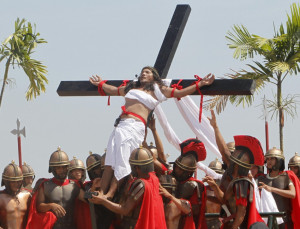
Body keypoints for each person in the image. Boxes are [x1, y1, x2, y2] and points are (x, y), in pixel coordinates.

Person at [89, 66, 215, 199]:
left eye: (147, 72)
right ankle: (101, 192)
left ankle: (110, 193)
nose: (144, 74)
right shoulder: (131, 87)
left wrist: (200, 84)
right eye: (142, 72)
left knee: (122, 160)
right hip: (120, 126)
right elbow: (114, 90)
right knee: (110, 161)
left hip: (134, 127)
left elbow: (180, 93)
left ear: (154, 76)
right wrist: (101, 84)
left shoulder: (158, 89)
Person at [89, 146, 167, 229]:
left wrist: (103, 200)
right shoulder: (154, 179)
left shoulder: (140, 184)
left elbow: (125, 210)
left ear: (136, 168)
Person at [26, 147, 86, 229]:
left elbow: (87, 199)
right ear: (53, 169)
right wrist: (51, 205)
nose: (62, 170)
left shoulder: (74, 186)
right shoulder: (45, 185)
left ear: (68, 167)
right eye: (58, 167)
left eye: (64, 167)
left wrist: (94, 190)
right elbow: (39, 207)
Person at [168, 138, 207, 229]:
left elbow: (195, 210)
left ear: (188, 172)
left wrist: (180, 205)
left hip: (186, 223)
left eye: (180, 169)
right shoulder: (171, 176)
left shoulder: (195, 185)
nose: (177, 170)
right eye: (177, 167)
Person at [258, 147, 300, 229]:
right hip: (265, 221)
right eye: (268, 159)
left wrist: (271, 189)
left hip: (284, 222)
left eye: (272, 159)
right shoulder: (261, 179)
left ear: (279, 161)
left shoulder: (286, 177)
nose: (269, 161)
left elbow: (292, 194)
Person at [0, 161, 31, 229]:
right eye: (13, 181)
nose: (17, 184)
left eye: (19, 181)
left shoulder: (27, 196)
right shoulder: (1, 198)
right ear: (6, 182)